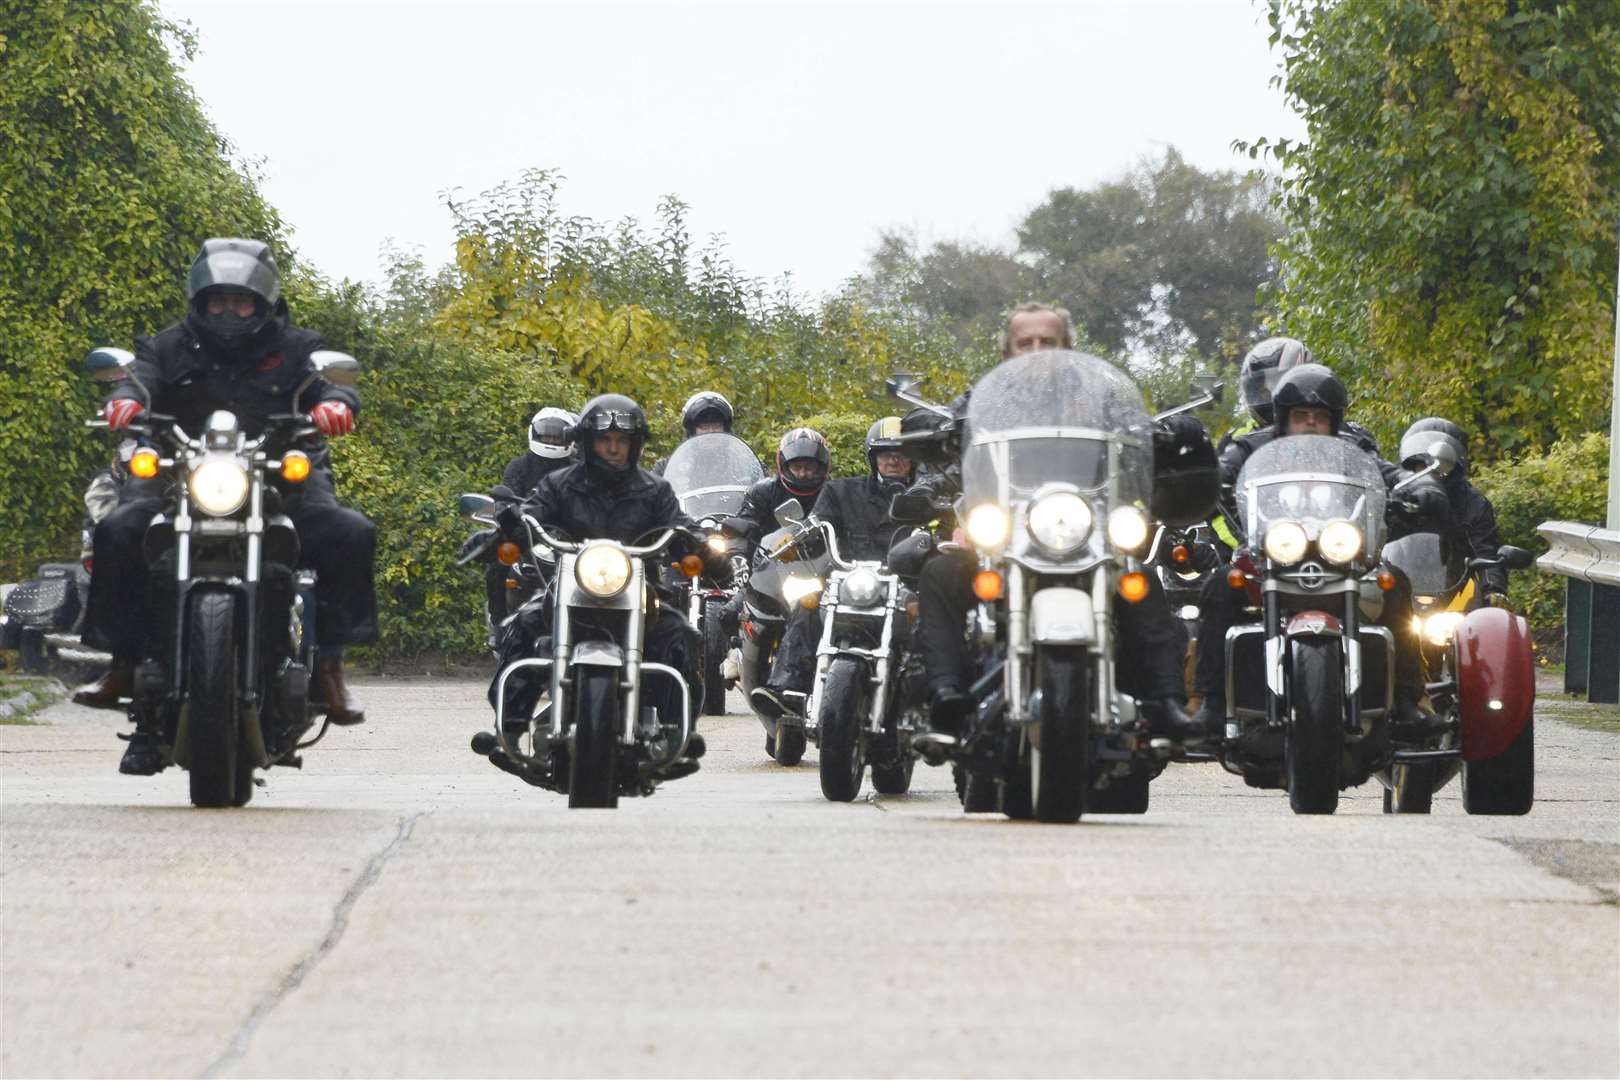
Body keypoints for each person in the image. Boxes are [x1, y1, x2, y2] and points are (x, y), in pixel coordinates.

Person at [71, 238, 377, 774]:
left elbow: (331, 385)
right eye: (218, 301)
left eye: (240, 301)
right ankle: (122, 665)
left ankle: (329, 668)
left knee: (351, 533)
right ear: (200, 301)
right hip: (175, 476)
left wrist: (334, 403)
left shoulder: (298, 346)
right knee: (120, 529)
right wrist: (124, 400)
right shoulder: (168, 346)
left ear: (262, 302)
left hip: (281, 477)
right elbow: (136, 379)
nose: (229, 312)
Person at [912, 302, 1205, 742]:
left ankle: (1163, 702)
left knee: (1140, 582)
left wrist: (1172, 428)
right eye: (1024, 342)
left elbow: (1138, 427)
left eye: (1046, 342)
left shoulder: (1099, 397)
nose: (1036, 350)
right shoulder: (984, 400)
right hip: (1007, 538)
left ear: (1067, 347)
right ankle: (947, 692)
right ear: (1007, 353)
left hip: (1087, 537)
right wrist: (931, 426)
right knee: (939, 573)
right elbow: (948, 424)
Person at [1187, 364, 1451, 737]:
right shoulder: (1252, 445)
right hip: (1271, 556)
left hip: (1340, 554)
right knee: (1219, 584)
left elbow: (1388, 475)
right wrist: (1206, 482)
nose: (1310, 423)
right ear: (1283, 418)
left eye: (1319, 416)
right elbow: (1224, 470)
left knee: (1395, 583)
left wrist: (1420, 489)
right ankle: (1210, 702)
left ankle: (1408, 698)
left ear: (1334, 419)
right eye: (1300, 416)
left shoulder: (1354, 444)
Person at [504, 393, 707, 763]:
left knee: (682, 636)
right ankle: (511, 725)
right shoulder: (559, 484)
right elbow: (531, 513)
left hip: (638, 591)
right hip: (571, 587)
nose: (613, 449)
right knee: (522, 625)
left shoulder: (655, 490)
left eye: (621, 441)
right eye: (604, 440)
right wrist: (509, 526)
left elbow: (680, 526)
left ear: (635, 445)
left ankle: (680, 732)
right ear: (587, 442)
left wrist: (699, 545)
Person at [748, 417, 913, 719]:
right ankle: (787, 688)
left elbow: (950, 529)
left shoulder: (929, 499)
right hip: (847, 581)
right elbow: (816, 524)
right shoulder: (842, 492)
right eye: (885, 453)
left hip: (908, 585)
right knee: (808, 601)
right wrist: (793, 541)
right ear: (872, 457)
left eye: (901, 453)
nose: (893, 459)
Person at [463, 408, 577, 633]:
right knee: (499, 563)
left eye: (556, 436)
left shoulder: (577, 468)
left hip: (568, 535)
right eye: (546, 435)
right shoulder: (520, 465)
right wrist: (506, 508)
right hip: (528, 531)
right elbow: (505, 496)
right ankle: (499, 625)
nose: (551, 440)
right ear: (533, 434)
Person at [1397, 417, 1510, 605]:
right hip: (1399, 591)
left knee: (1488, 625)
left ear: (1453, 465)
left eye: (1439, 466)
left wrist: (1494, 589)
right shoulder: (1397, 495)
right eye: (1421, 465)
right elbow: (1373, 539)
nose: (1428, 471)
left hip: (1456, 594)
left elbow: (1486, 550)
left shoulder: (1471, 503)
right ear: (1411, 465)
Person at [735, 427, 830, 547]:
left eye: (810, 467)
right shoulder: (763, 492)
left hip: (826, 561)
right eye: (796, 467)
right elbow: (746, 525)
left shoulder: (833, 493)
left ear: (821, 466)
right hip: (770, 561)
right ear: (784, 464)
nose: (802, 473)